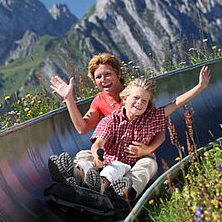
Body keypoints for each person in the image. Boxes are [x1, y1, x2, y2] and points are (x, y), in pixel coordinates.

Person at [51, 66, 211, 203]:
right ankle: (75, 175)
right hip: (108, 158)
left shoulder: (151, 118)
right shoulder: (113, 120)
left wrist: (201, 86)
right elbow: (98, 143)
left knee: (117, 169)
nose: (139, 103)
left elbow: (176, 103)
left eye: (144, 101)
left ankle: (112, 189)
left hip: (126, 164)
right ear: (125, 99)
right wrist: (97, 155)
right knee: (87, 160)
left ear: (148, 105)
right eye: (136, 98)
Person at [49, 53, 165, 185]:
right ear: (95, 81)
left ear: (118, 74)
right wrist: (68, 99)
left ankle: (123, 189)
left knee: (147, 165)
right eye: (98, 77)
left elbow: (160, 133)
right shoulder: (100, 100)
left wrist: (147, 149)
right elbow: (82, 128)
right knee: (83, 155)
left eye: (108, 74)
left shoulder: (137, 97)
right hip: (111, 154)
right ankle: (75, 177)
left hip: (138, 155)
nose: (103, 80)